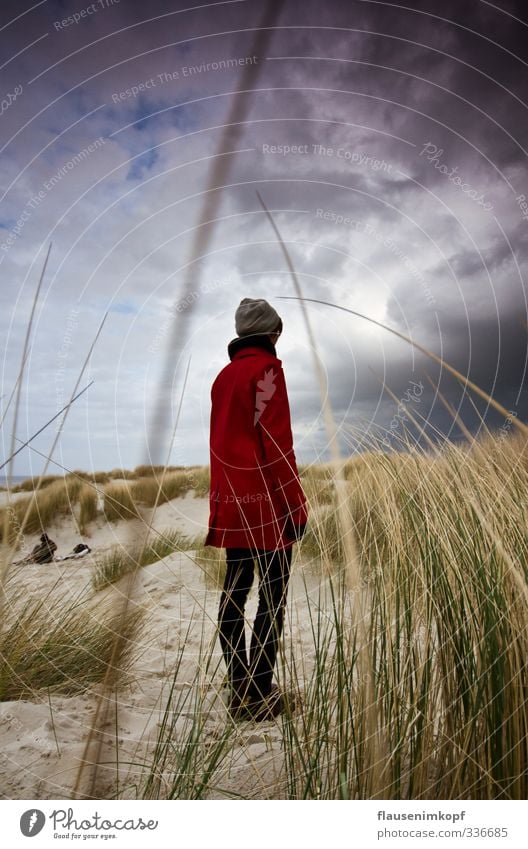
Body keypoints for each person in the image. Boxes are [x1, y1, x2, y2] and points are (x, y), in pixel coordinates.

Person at [205, 297, 308, 721]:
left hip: (233, 503)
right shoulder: (269, 371)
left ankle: (240, 686)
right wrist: (295, 510)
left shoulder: (222, 378)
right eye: (278, 330)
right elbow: (277, 446)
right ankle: (260, 693)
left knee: (234, 593)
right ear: (271, 333)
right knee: (271, 597)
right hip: (265, 506)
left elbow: (220, 447)